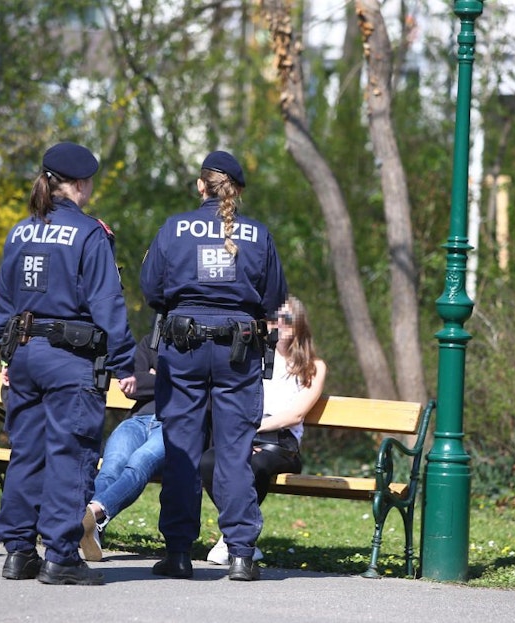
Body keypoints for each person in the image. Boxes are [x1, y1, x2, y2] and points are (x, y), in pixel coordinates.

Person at [0, 141, 137, 586]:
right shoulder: (90, 234)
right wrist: (126, 361)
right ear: (80, 184)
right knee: (70, 455)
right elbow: (107, 303)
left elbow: (2, 300)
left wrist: (7, 352)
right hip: (71, 360)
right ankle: (60, 556)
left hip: (26, 355)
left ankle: (18, 553)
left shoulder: (21, 231)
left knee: (27, 452)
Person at [140, 150, 287, 581]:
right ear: (236, 191)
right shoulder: (258, 235)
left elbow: (152, 288)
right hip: (238, 349)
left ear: (201, 186)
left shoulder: (173, 228)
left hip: (182, 345)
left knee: (182, 449)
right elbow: (276, 298)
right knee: (234, 452)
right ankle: (241, 554)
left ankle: (179, 553)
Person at [201, 295, 326, 565]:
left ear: (299, 325)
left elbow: (296, 414)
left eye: (287, 319)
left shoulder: (312, 367)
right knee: (209, 461)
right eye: (272, 318)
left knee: (252, 465)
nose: (279, 324)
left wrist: (252, 430)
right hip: (246, 434)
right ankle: (239, 534)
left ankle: (235, 539)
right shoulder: (251, 358)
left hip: (280, 444)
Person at [79, 332, 164, 562]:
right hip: (137, 420)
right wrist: (169, 381)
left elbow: (195, 391)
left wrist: (153, 378)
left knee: (139, 463)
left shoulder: (197, 349)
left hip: (173, 424)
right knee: (111, 467)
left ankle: (92, 513)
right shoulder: (151, 341)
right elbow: (131, 385)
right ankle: (92, 530)